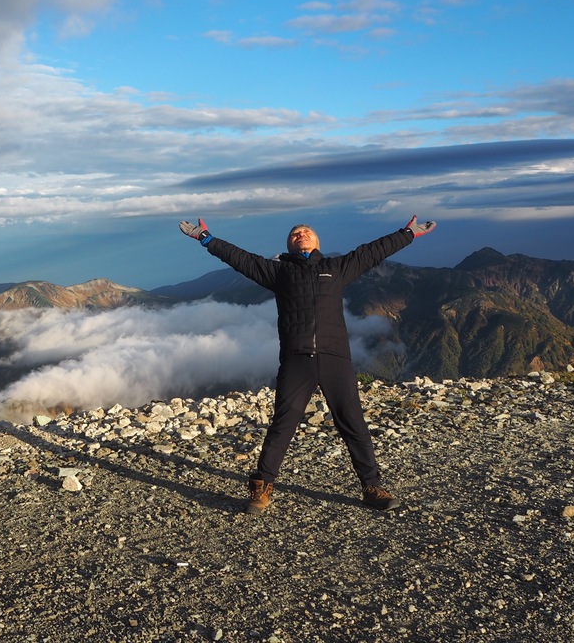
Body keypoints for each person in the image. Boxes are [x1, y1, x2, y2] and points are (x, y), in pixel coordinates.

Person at [178, 215, 435, 513]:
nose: (301, 234)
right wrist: (206, 238)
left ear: (317, 242)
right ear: (288, 243)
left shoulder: (336, 268)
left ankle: (371, 486)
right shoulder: (279, 272)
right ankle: (262, 487)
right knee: (283, 424)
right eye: (296, 233)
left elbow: (372, 251)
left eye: (307, 231)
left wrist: (408, 233)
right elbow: (240, 259)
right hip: (296, 358)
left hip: (334, 357)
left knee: (352, 422)